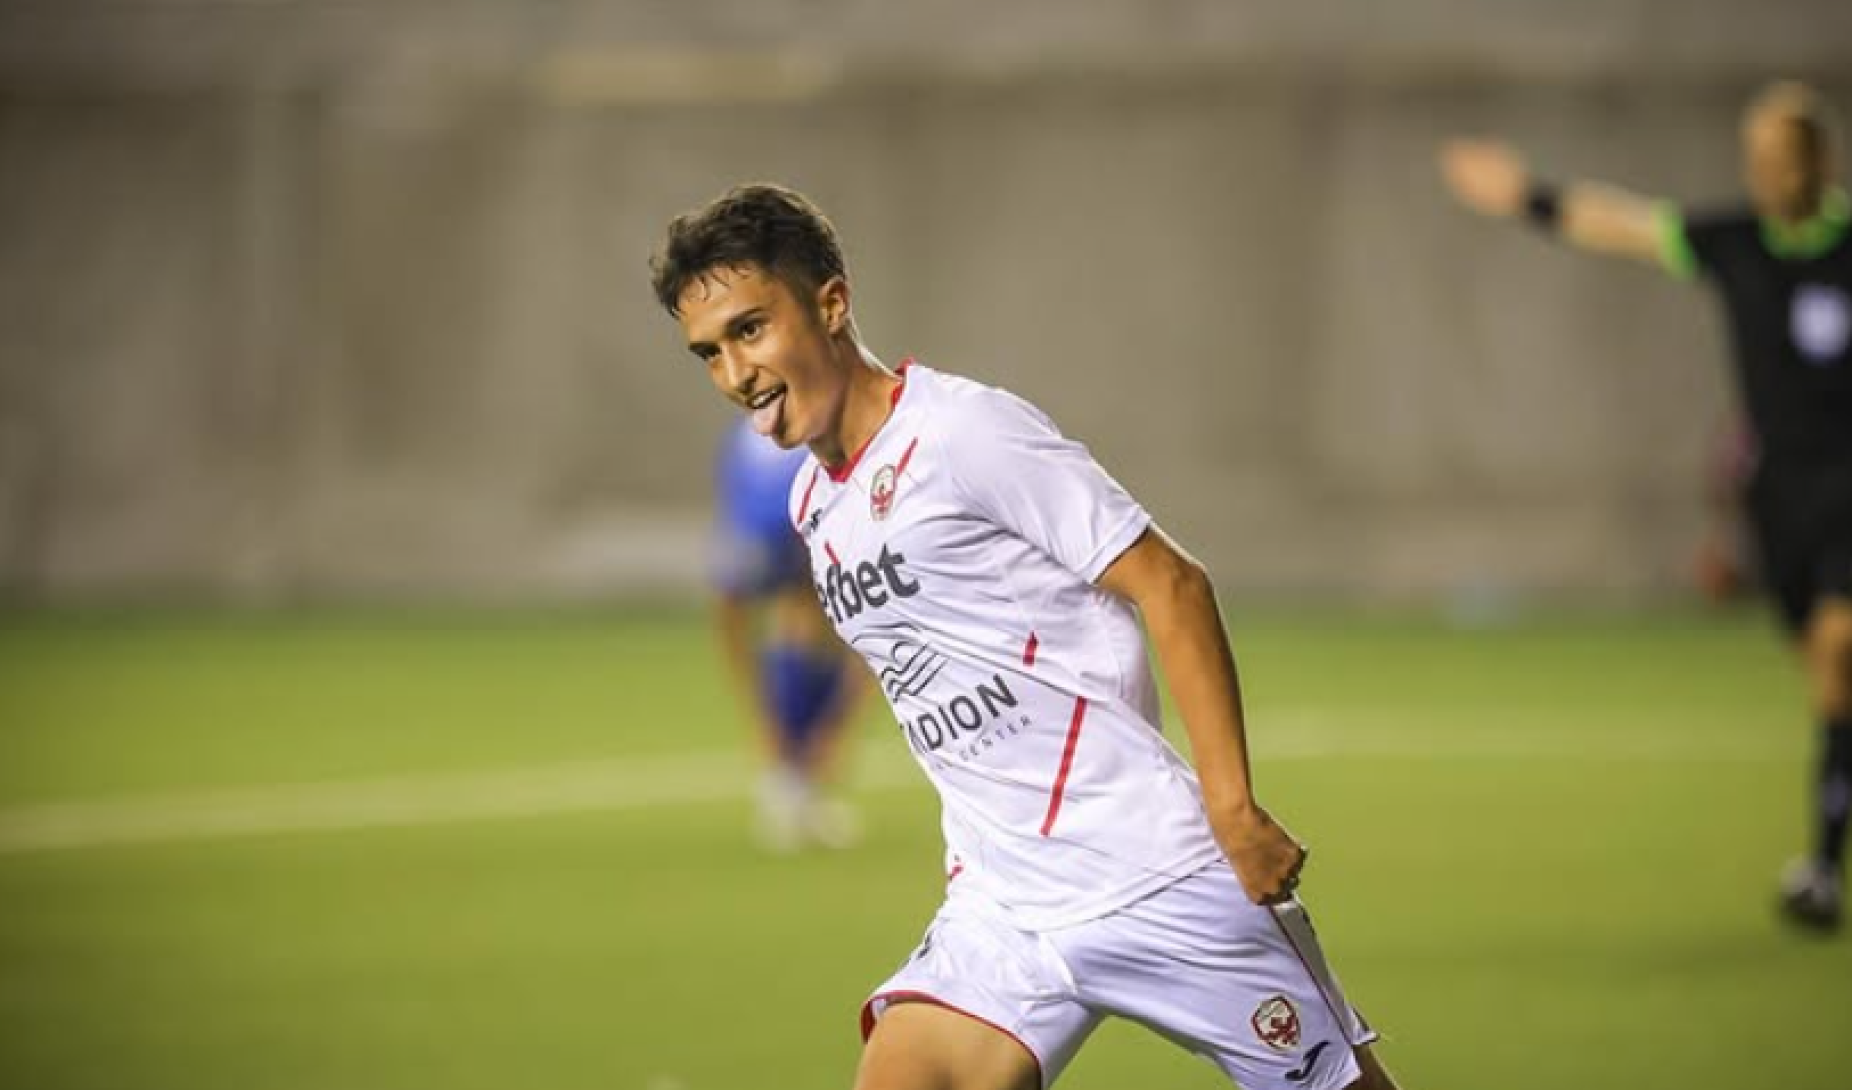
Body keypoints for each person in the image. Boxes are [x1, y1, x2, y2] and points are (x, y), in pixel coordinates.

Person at [651, 184, 1399, 1090]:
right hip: (1003, 909)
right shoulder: (814, 500)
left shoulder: (963, 433)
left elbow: (1171, 583)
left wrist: (1233, 809)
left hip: (1151, 871)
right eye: (710, 352)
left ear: (832, 303)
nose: (735, 372)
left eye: (751, 329)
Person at [1439, 80, 1852, 933]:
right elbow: (1621, 225)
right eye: (1759, 157)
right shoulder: (1736, 242)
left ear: (1820, 161)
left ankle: (1820, 869)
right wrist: (1526, 196)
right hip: (1780, 497)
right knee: (1824, 676)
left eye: (1784, 157)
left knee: (1840, 648)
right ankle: (1824, 843)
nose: (1769, 172)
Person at [712, 411, 866, 852]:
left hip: (787, 509)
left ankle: (796, 780)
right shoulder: (762, 515)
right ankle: (790, 777)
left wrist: (835, 728)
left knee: (814, 622)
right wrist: (771, 722)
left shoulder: (751, 436)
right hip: (793, 508)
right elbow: (730, 615)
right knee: (808, 623)